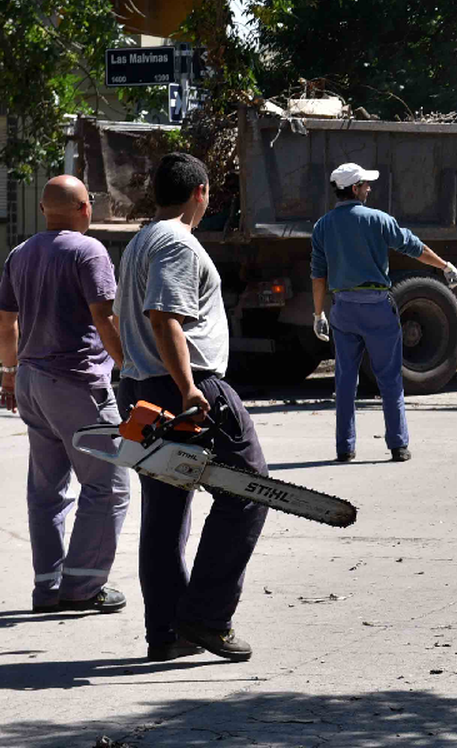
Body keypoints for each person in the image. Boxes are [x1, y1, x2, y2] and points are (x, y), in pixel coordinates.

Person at [116, 152, 266, 663]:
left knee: (165, 510)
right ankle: (206, 616)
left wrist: (133, 373)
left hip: (144, 385)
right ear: (200, 192)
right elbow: (163, 317)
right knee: (250, 489)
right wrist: (187, 388)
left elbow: (127, 323)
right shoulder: (178, 242)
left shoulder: (139, 241)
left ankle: (167, 631)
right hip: (189, 387)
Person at [0, 175, 131, 615]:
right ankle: (83, 585)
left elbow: (6, 325)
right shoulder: (87, 250)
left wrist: (7, 375)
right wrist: (128, 366)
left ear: (42, 210)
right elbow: (104, 317)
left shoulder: (20, 253)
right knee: (109, 485)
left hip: (31, 382)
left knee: (47, 489)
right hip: (76, 383)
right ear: (84, 209)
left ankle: (47, 586)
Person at [310, 163, 457, 464]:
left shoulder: (322, 226)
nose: (369, 188)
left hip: (343, 310)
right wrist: (444, 266)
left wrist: (318, 314)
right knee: (389, 378)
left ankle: (345, 448)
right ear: (354, 189)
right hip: (378, 307)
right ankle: (398, 446)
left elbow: (318, 274)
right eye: (365, 184)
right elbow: (413, 247)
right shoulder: (378, 220)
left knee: (345, 380)